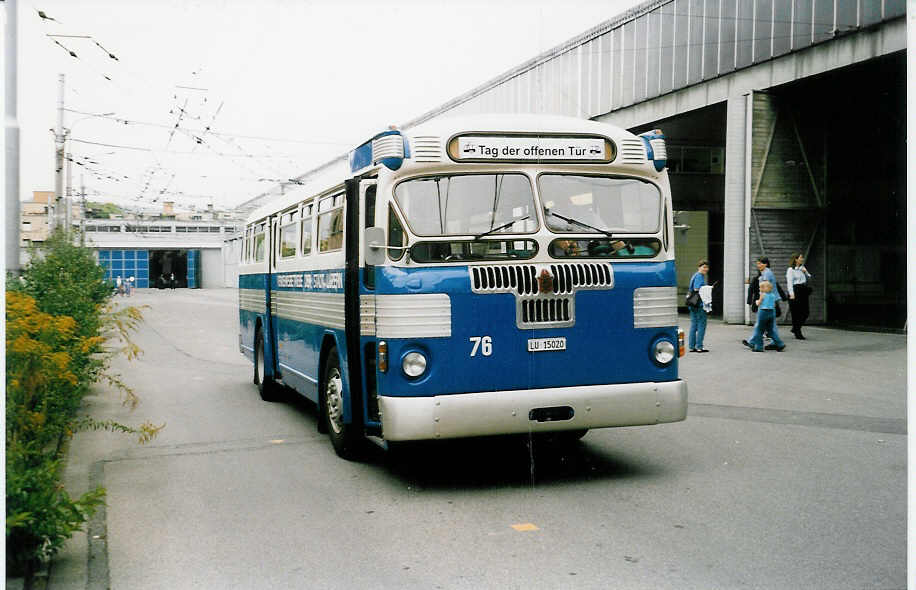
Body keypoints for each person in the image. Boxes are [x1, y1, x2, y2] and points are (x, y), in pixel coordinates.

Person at [743, 280, 785, 352]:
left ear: (764, 288)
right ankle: (780, 344)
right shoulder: (772, 295)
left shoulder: (763, 295)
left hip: (763, 312)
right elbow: (774, 305)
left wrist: (756, 301)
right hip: (771, 313)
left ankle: (759, 347)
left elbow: (758, 303)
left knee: (759, 330)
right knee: (771, 331)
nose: (759, 289)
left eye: (760, 287)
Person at [786, 253, 812, 339]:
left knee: (805, 312)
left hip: (803, 290)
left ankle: (795, 328)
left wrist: (806, 272)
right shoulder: (791, 270)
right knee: (796, 312)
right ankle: (798, 331)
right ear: (796, 259)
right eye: (801, 258)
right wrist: (791, 294)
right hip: (795, 290)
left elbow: (809, 278)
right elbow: (789, 283)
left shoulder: (802, 268)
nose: (802, 259)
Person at [686, 259, 710, 353]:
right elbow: (697, 288)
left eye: (707, 267)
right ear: (699, 267)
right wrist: (708, 288)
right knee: (701, 325)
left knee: (694, 324)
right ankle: (699, 346)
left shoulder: (695, 275)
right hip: (699, 304)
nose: (706, 269)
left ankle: (692, 346)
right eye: (704, 267)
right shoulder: (699, 276)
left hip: (692, 303)